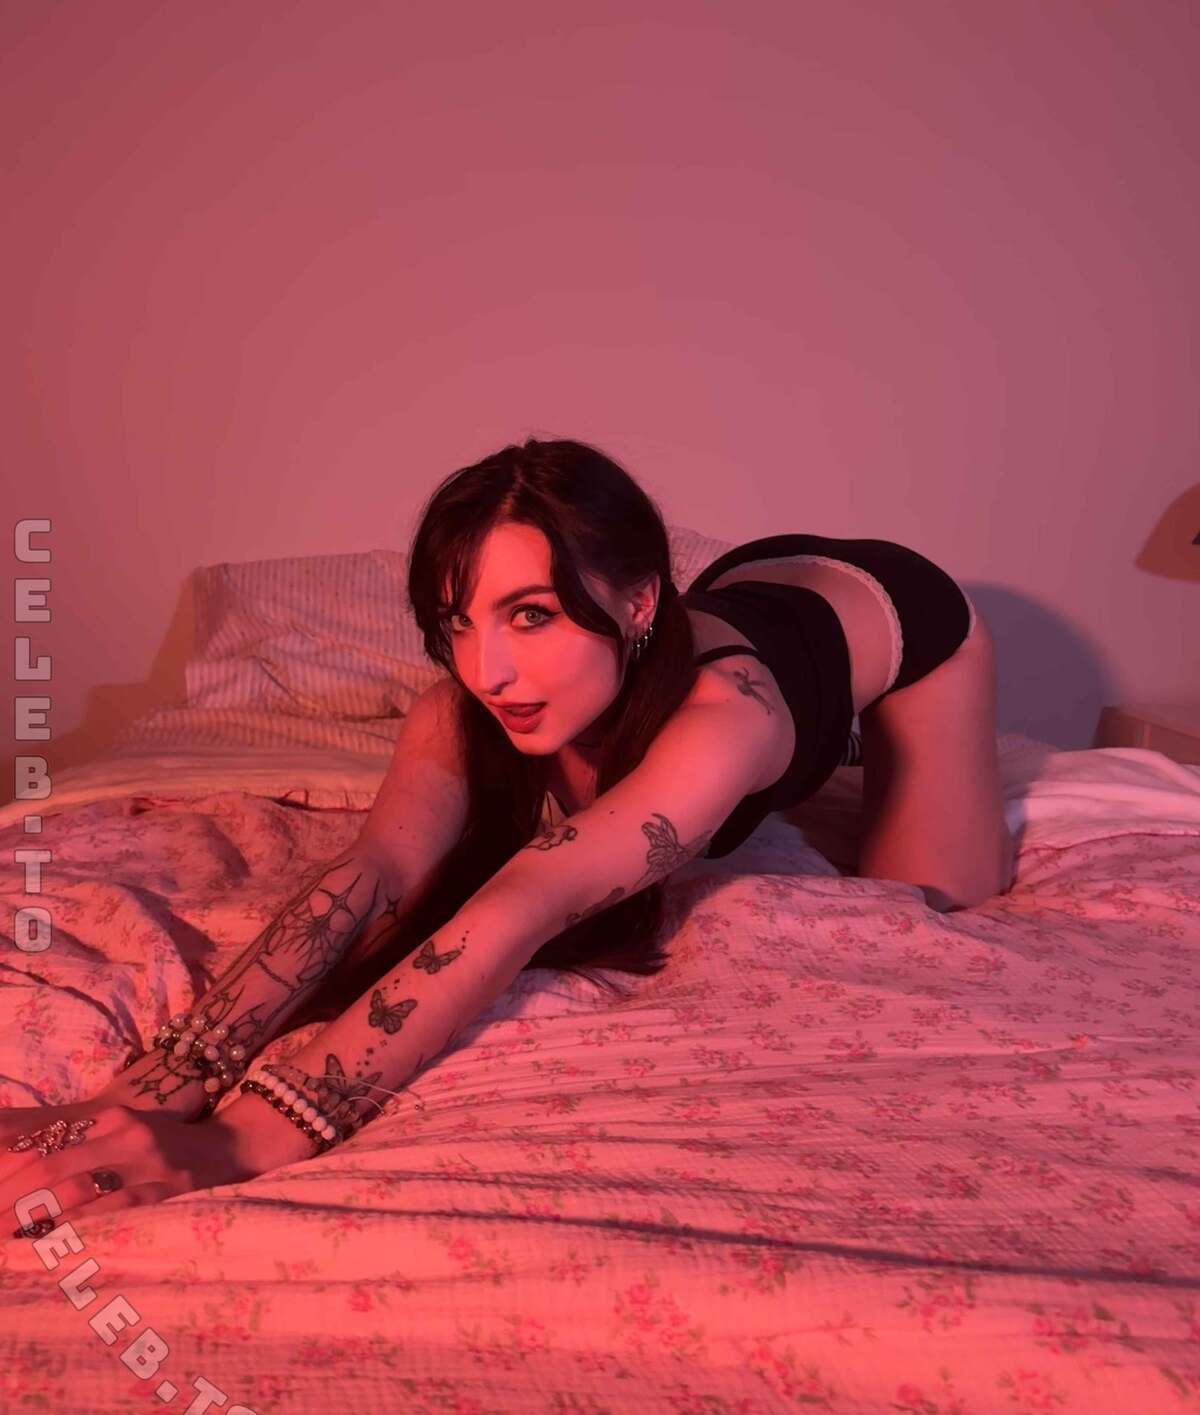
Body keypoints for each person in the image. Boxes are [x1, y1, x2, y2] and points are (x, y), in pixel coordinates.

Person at [2, 436, 1013, 1236]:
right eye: (458, 623)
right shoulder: (463, 703)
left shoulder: (729, 714)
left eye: (530, 617)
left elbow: (524, 901)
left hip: (902, 617)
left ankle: (840, 726)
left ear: (638, 602)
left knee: (936, 903)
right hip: (736, 597)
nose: (487, 672)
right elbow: (377, 868)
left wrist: (244, 1143)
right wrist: (155, 1086)